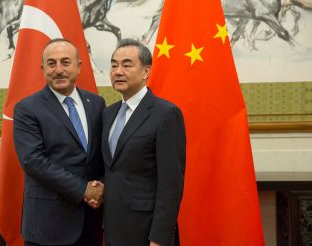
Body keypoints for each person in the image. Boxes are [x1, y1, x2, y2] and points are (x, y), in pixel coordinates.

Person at [13, 38, 105, 246]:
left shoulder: (96, 103)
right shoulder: (27, 109)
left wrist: (102, 186)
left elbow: (102, 154)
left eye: (65, 62)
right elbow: (33, 161)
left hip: (91, 220)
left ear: (79, 66)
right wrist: (83, 190)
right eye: (51, 63)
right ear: (43, 68)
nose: (59, 69)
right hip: (49, 225)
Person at [101, 39, 186, 246]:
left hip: (146, 231)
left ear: (146, 71)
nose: (118, 71)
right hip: (113, 228)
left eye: (127, 65)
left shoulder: (165, 114)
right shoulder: (108, 114)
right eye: (114, 65)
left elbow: (171, 185)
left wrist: (159, 237)